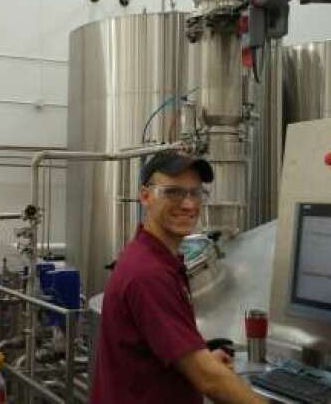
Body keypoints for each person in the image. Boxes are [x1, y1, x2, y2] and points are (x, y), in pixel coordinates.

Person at [90, 150, 265, 404]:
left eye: (195, 193)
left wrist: (201, 359)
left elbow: (161, 354)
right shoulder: (148, 273)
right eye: (173, 192)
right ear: (145, 196)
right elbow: (210, 380)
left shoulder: (158, 257)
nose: (189, 204)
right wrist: (203, 367)